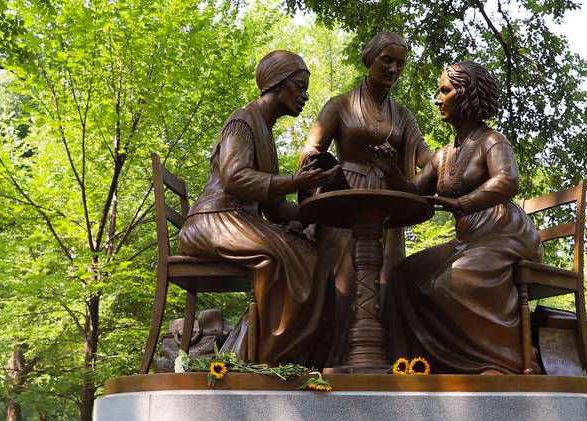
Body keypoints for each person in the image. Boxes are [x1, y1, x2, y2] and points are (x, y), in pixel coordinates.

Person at [377, 61, 543, 374]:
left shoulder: (492, 141)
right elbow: (415, 190)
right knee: (403, 274)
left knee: (449, 282)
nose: (438, 99)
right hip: (469, 240)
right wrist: (391, 171)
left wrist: (462, 203)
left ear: (466, 94)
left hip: (504, 235)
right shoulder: (443, 155)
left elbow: (508, 181)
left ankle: (504, 361)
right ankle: (418, 365)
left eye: (445, 91)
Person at [177, 50, 337, 365]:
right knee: (283, 257)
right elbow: (234, 177)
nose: (304, 96)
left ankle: (250, 356)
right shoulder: (243, 120)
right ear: (277, 82)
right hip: (213, 221)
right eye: (299, 87)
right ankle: (260, 359)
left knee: (310, 255)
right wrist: (295, 180)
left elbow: (275, 208)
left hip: (239, 222)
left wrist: (315, 210)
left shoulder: (265, 130)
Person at [299, 31, 432, 367]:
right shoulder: (340, 105)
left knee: (387, 280)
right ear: (370, 59)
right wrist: (314, 182)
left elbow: (426, 158)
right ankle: (333, 359)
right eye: (386, 60)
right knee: (340, 281)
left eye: (400, 63)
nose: (393, 69)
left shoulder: (403, 115)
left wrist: (455, 159)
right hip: (344, 199)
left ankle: (381, 358)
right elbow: (312, 148)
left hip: (387, 205)